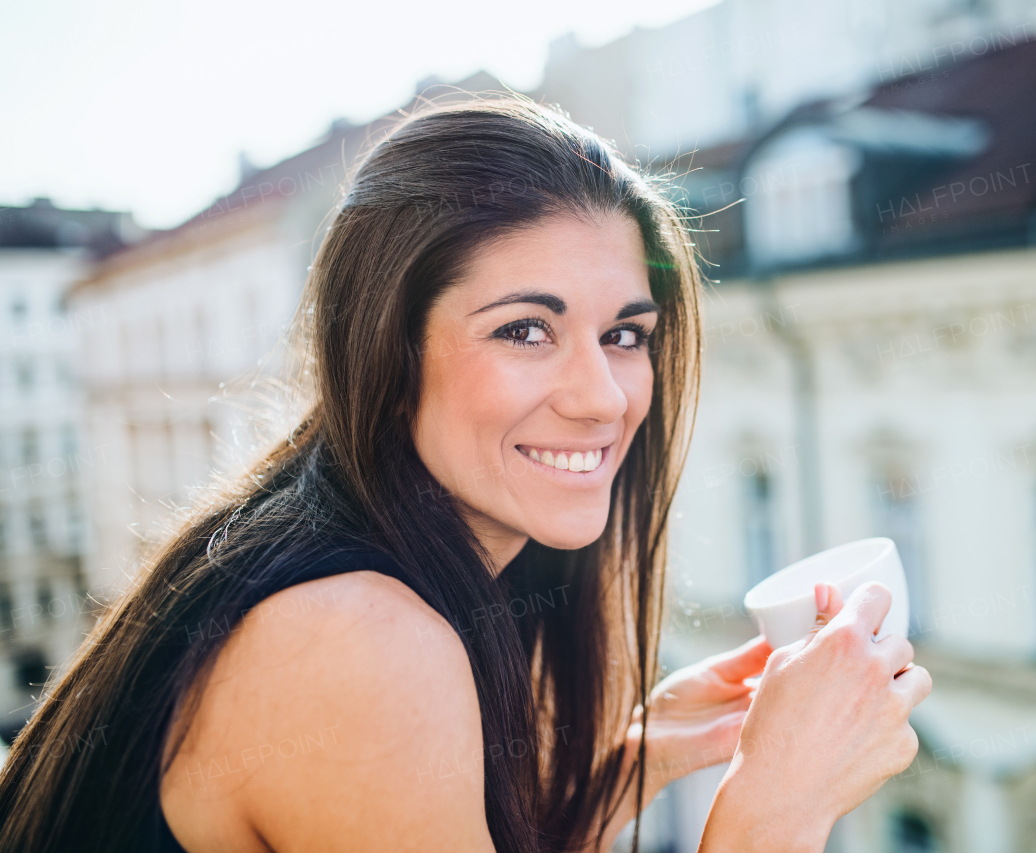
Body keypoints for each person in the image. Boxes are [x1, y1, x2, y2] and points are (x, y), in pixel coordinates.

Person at [0, 97, 930, 852]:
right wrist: (779, 811)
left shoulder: (340, 562)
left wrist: (620, 766)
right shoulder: (355, 641)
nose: (603, 397)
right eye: (525, 329)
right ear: (389, 351)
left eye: (625, 334)